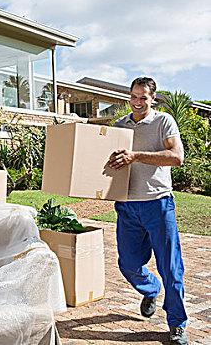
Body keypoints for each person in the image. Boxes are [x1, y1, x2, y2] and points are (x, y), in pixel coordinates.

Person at [108, 77, 188, 345]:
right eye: (134, 96)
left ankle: (176, 324)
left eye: (143, 97)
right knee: (128, 263)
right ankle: (151, 289)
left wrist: (136, 155)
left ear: (153, 98)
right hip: (127, 205)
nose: (138, 102)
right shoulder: (119, 126)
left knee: (171, 267)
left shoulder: (163, 122)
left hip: (158, 203)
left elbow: (177, 157)